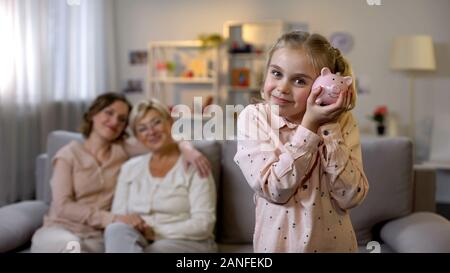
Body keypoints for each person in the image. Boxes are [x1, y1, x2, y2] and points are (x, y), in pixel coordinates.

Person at [234, 31, 369, 253]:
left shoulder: (341, 123)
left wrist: (329, 128)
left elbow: (351, 196)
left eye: (299, 80)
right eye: (276, 73)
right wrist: (308, 127)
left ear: (323, 86)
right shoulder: (254, 118)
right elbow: (275, 190)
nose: (282, 87)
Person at [31, 92, 211, 253]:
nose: (115, 121)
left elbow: (160, 138)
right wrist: (114, 218)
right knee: (72, 246)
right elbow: (62, 206)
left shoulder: (123, 150)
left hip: (97, 236)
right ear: (93, 114)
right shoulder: (68, 155)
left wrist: (187, 147)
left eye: (122, 118)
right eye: (109, 113)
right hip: (63, 229)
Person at [104, 99, 217, 253]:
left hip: (187, 241)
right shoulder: (129, 168)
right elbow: (119, 215)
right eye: (142, 128)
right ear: (137, 137)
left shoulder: (195, 164)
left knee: (157, 250)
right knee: (115, 230)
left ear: (169, 123)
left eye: (156, 122)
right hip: (139, 239)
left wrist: (156, 232)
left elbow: (204, 224)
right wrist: (132, 224)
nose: (151, 132)